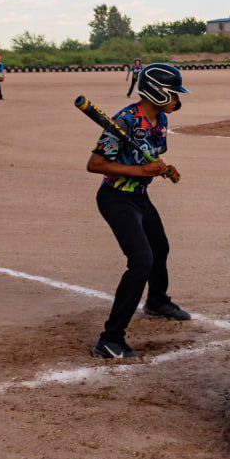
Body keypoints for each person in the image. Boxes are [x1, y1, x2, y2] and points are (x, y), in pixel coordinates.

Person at [87, 62, 192, 359]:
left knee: (160, 247)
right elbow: (95, 164)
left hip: (139, 197)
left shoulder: (159, 120)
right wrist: (140, 170)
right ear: (156, 93)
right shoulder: (124, 122)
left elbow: (151, 159)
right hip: (116, 198)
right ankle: (110, 339)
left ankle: (157, 301)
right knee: (141, 261)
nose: (177, 101)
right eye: (173, 94)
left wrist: (161, 169)